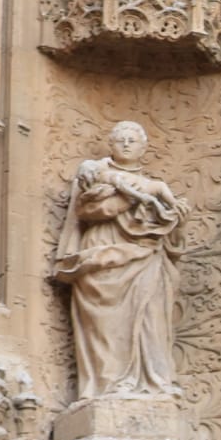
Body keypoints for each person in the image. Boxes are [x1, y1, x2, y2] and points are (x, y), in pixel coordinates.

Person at [51, 121, 186, 403]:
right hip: (103, 253)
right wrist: (130, 198)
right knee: (106, 323)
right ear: (111, 145)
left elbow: (171, 233)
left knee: (151, 318)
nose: (126, 144)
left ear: (143, 148)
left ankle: (153, 380)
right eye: (121, 140)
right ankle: (108, 383)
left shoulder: (155, 186)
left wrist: (177, 219)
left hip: (146, 255)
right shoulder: (94, 172)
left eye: (132, 140)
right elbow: (87, 210)